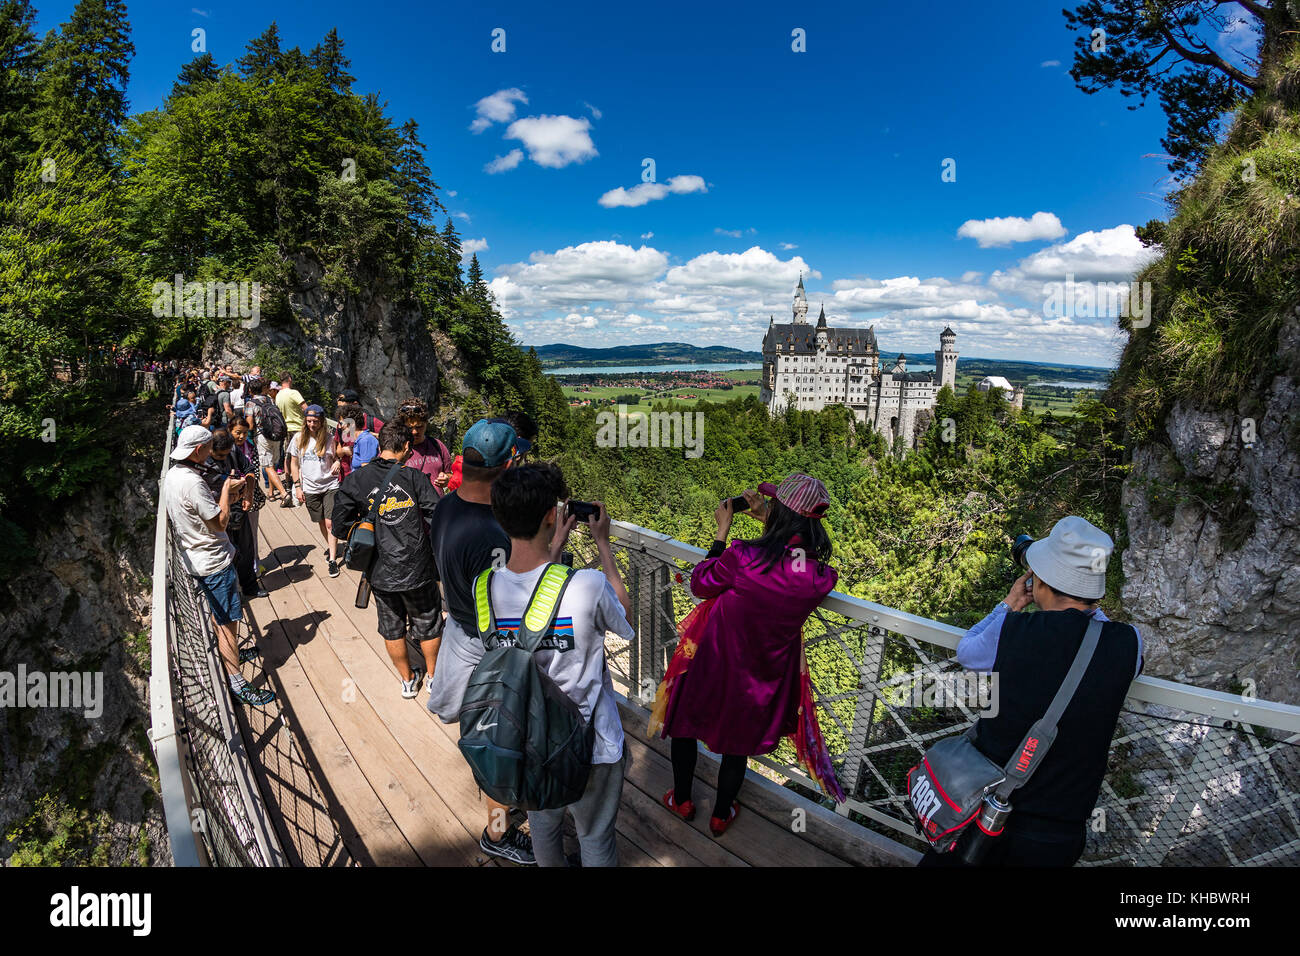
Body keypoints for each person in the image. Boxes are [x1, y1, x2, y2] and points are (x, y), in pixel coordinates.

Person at [920, 516, 1143, 868]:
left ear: (1041, 582)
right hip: (1058, 834)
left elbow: (968, 652)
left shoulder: (1015, 630)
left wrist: (1011, 603)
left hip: (987, 814)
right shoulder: (1129, 643)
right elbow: (1093, 636)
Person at [652, 473, 844, 836]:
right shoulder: (819, 576)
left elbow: (700, 583)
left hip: (712, 661)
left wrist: (722, 531)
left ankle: (682, 799)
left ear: (780, 512)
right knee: (736, 747)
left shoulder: (742, 555)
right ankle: (721, 814)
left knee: (685, 727)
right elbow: (795, 558)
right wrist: (772, 523)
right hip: (761, 678)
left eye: (771, 503)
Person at [485, 462, 633, 867]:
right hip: (591, 744)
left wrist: (555, 537)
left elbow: (532, 583)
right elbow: (625, 619)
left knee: (545, 830)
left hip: (526, 739)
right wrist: (603, 544)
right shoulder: (586, 585)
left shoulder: (488, 587)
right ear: (552, 514)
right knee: (596, 838)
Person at [425, 418, 534, 864]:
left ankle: (502, 806)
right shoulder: (493, 531)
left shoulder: (448, 506)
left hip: (460, 631)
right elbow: (515, 599)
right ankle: (497, 834)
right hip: (489, 649)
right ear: (506, 465)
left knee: (488, 737)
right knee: (498, 744)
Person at [163, 425, 275, 707]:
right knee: (227, 622)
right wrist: (226, 490)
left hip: (195, 555)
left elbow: (198, 511)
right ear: (199, 450)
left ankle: (233, 653)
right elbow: (219, 523)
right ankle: (238, 684)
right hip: (212, 560)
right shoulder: (193, 481)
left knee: (221, 615)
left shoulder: (173, 475)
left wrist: (227, 496)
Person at [332, 421, 443, 697]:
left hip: (380, 570)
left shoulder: (357, 479)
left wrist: (366, 529)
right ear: (406, 447)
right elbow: (438, 516)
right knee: (428, 624)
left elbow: (338, 525)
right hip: (417, 567)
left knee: (392, 627)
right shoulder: (415, 479)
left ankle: (407, 681)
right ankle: (432, 677)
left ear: (380, 445)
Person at [289, 405, 342, 577]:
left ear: (322, 422)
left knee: (330, 522)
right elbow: (294, 464)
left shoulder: (329, 438)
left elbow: (338, 455)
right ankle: (332, 546)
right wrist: (297, 486)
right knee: (320, 521)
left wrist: (338, 462)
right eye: (309, 421)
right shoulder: (298, 438)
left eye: (316, 421)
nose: (312, 424)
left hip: (330, 485)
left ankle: (332, 560)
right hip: (310, 487)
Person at [227, 418, 270, 597]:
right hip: (224, 506)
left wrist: (249, 494)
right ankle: (234, 590)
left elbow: (251, 468)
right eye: (238, 432)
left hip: (242, 501)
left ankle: (249, 585)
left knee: (246, 544)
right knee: (229, 548)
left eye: (244, 433)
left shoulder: (242, 449)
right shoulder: (219, 450)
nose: (242, 436)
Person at [243, 378, 288, 504]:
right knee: (272, 464)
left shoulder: (250, 404)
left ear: (251, 390)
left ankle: (284, 493)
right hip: (276, 435)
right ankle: (271, 493)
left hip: (262, 436)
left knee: (267, 466)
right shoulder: (270, 399)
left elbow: (250, 425)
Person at [396, 397, 452, 495]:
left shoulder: (437, 445)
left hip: (437, 507)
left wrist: (447, 479)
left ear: (426, 423)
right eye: (410, 428)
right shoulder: (395, 449)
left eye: (419, 427)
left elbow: (451, 474)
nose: (415, 432)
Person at [275, 373, 306, 499]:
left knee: (288, 457)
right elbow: (306, 408)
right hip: (298, 428)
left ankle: (288, 483)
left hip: (285, 429)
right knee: (301, 457)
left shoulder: (278, 395)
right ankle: (301, 484)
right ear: (290, 380)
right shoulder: (294, 393)